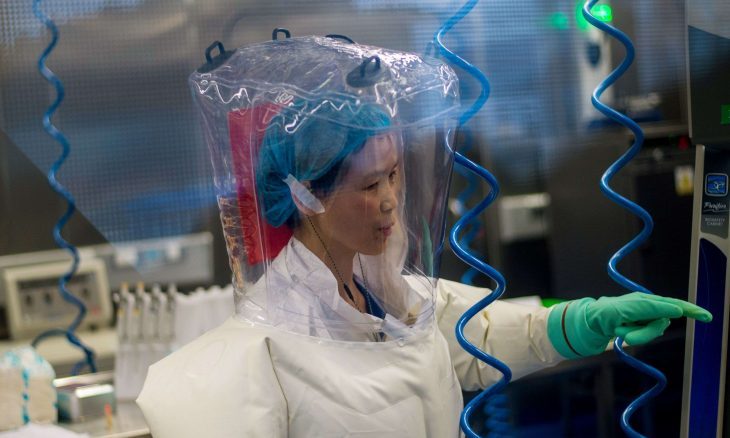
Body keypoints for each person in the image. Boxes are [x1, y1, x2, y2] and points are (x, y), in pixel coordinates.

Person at [137, 36, 711, 437]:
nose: (390, 199)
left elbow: (478, 333)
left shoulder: (389, 295)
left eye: (394, 175)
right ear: (306, 195)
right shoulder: (259, 353)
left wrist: (586, 321)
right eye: (369, 185)